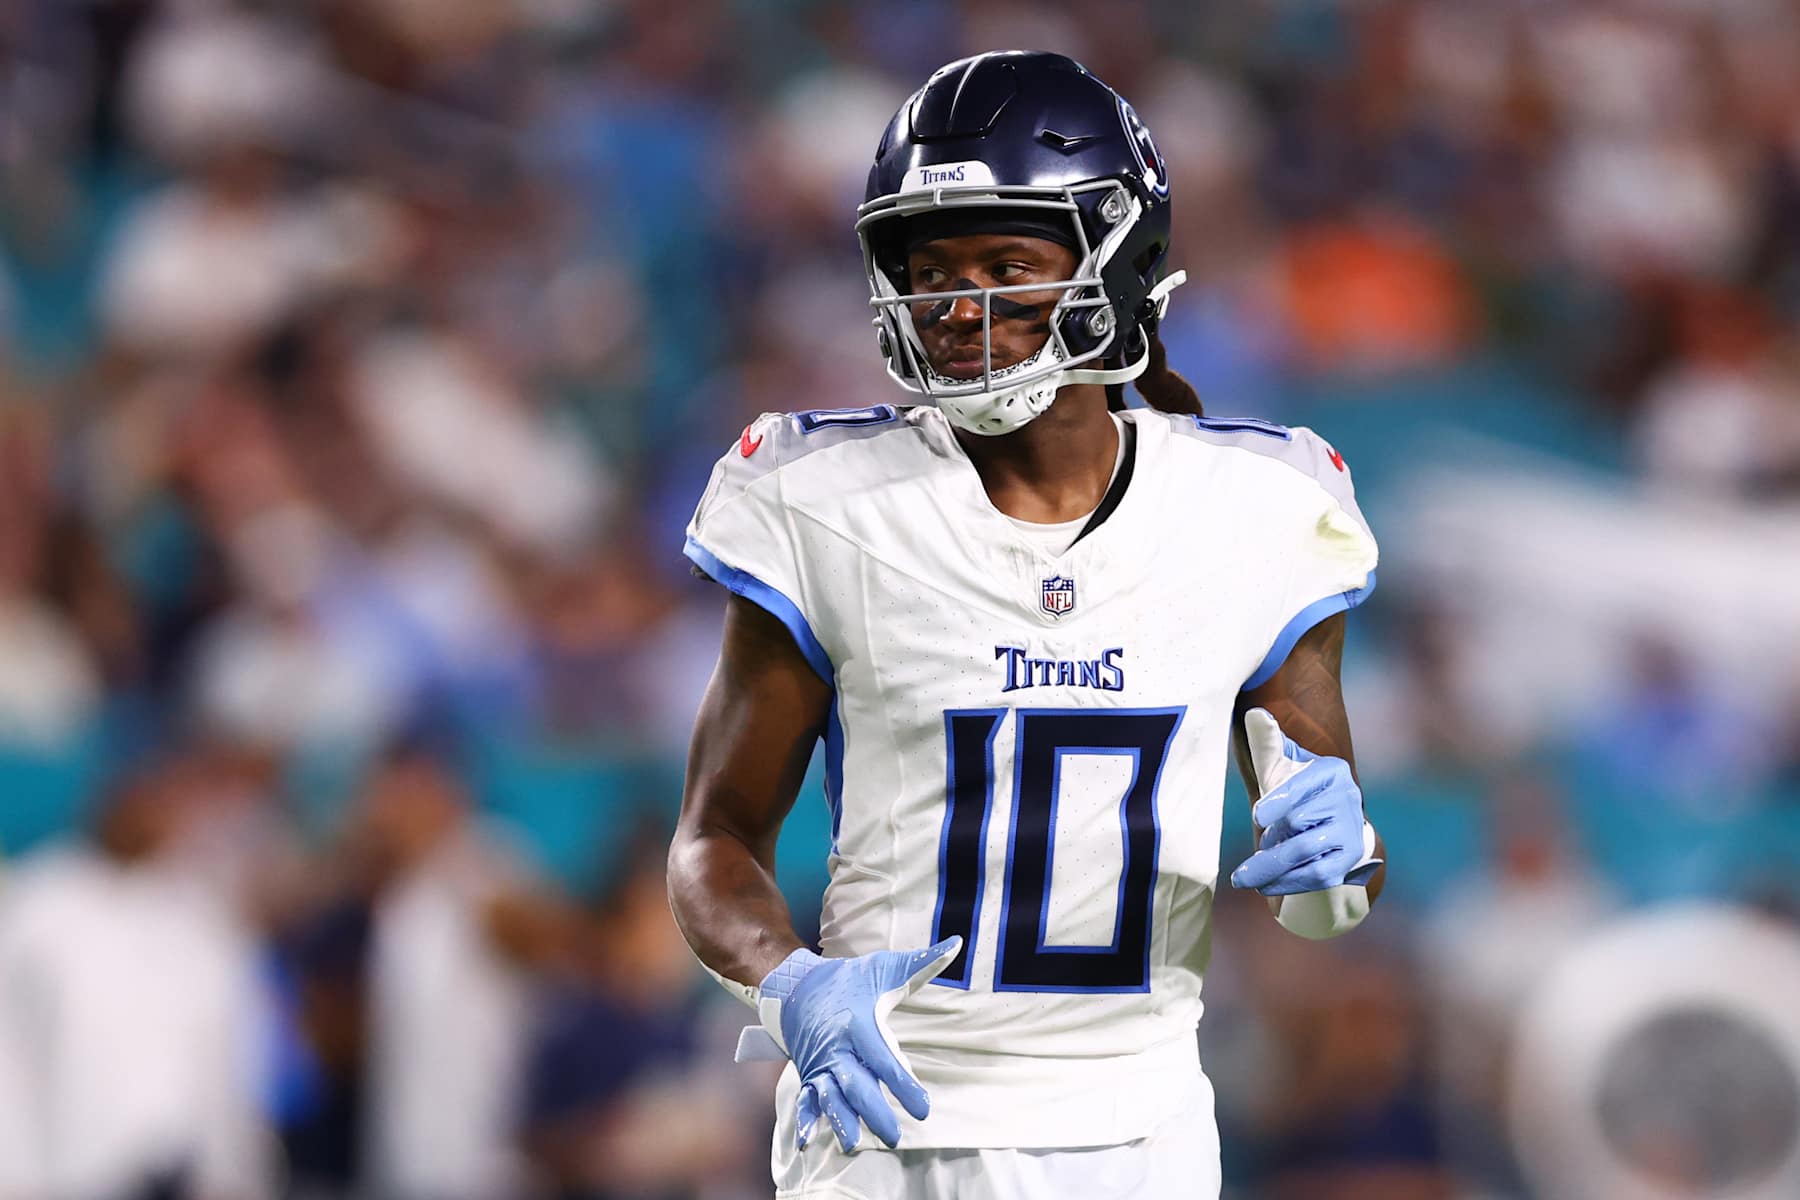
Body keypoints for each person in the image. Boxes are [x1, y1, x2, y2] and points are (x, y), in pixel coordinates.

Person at [667, 50, 1386, 1200]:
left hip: (1140, 1138)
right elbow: (715, 839)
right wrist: (791, 982)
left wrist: (1343, 864)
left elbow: (1322, 894)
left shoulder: (1259, 510)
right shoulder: (823, 503)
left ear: (1119, 262)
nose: (961, 307)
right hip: (885, 1129)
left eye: (1007, 264)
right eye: (931, 270)